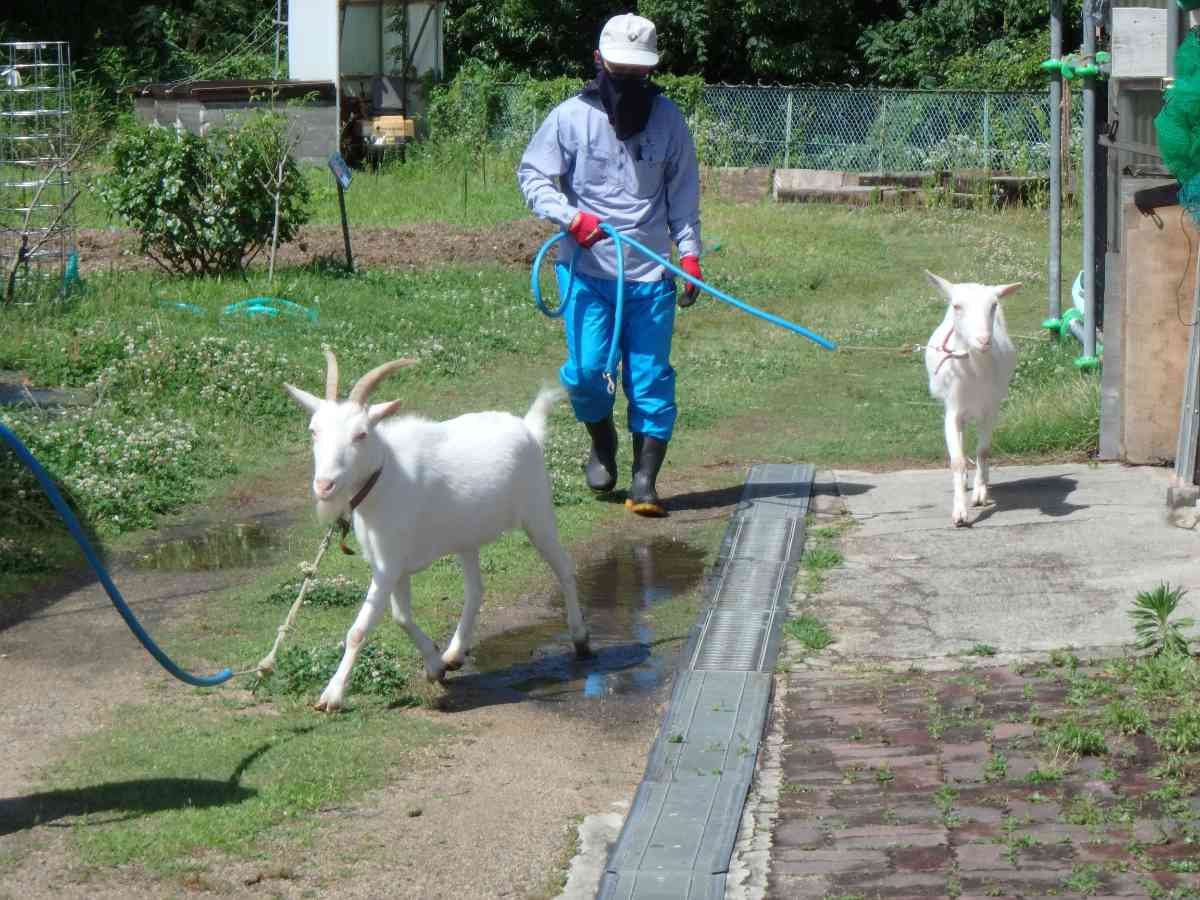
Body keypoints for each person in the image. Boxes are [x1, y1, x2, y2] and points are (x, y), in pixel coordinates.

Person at [517, 12, 702, 518]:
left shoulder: (669, 120)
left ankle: (645, 482)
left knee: (649, 379)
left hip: (650, 276)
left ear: (651, 71)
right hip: (586, 272)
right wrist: (570, 217)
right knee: (586, 372)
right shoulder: (569, 118)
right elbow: (533, 177)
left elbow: (683, 196)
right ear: (599, 62)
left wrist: (689, 254)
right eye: (619, 72)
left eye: (637, 74)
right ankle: (602, 440)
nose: (628, 83)